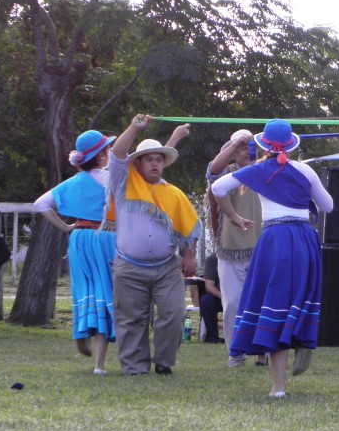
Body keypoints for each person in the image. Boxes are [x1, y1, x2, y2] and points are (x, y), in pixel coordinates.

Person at [212, 119, 334, 398]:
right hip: (304, 238)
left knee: (275, 302)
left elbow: (218, 187)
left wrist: (233, 216)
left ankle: (278, 387)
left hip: (275, 239)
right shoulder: (305, 170)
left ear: (262, 145)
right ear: (291, 144)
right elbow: (328, 206)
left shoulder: (257, 171)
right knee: (301, 296)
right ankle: (303, 339)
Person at [108, 114, 200, 376]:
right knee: (131, 320)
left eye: (159, 160)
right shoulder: (122, 183)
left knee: (174, 313)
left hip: (166, 268)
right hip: (129, 266)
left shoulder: (172, 193)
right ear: (136, 163)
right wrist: (135, 127)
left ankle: (163, 362)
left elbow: (189, 227)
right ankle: (135, 367)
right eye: (149, 159)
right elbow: (116, 154)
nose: (155, 164)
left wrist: (189, 257)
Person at [34, 130, 118, 374]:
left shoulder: (73, 183)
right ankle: (99, 365)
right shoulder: (110, 179)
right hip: (105, 238)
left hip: (79, 238)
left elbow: (40, 204)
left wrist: (66, 227)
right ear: (102, 156)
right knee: (104, 291)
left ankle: (80, 334)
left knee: (84, 289)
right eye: (108, 150)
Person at [206, 129, 265, 366]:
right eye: (241, 148)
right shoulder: (227, 175)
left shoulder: (264, 173)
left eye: (250, 147)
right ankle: (236, 353)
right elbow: (213, 170)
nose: (247, 151)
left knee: (262, 302)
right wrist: (234, 144)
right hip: (230, 249)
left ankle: (264, 353)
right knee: (232, 303)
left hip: (262, 247)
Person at [199, 252, 224, 344]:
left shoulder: (244, 257)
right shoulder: (212, 259)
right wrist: (223, 297)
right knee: (206, 301)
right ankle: (212, 337)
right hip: (219, 297)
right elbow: (209, 286)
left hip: (238, 295)